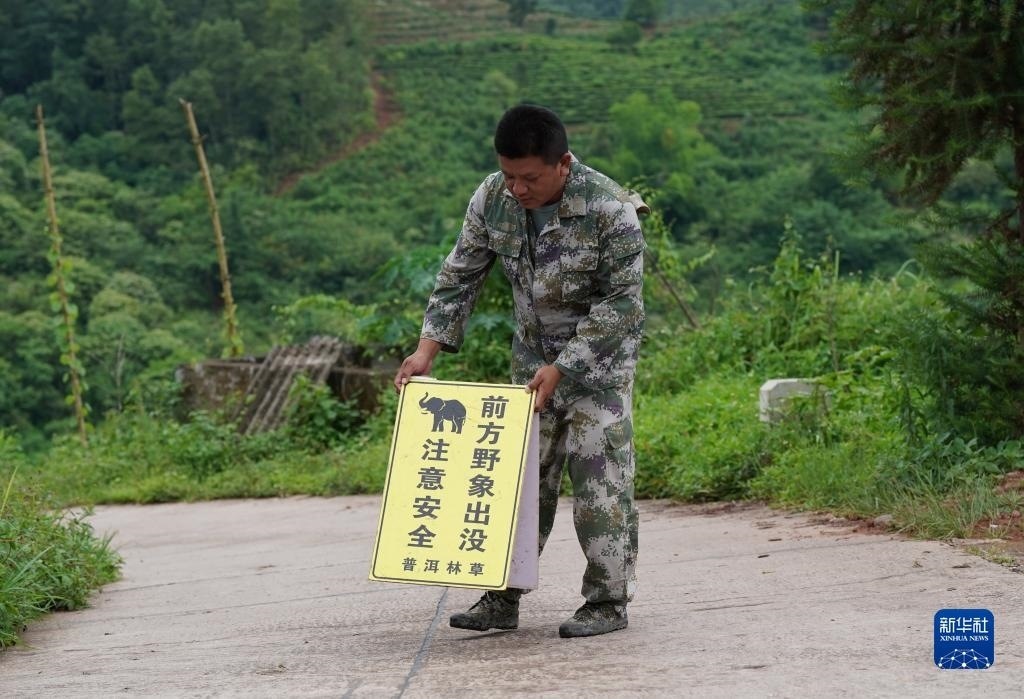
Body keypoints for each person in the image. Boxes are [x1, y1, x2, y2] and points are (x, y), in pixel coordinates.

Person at [393, 104, 645, 638]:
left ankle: (607, 602)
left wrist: (565, 366)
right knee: (516, 483)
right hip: (530, 366)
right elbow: (460, 275)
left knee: (600, 483)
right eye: (509, 175)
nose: (518, 188)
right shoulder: (493, 199)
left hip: (598, 370)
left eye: (529, 177)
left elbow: (623, 304)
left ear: (563, 164)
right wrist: (426, 350)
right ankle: (501, 598)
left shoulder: (610, 209)